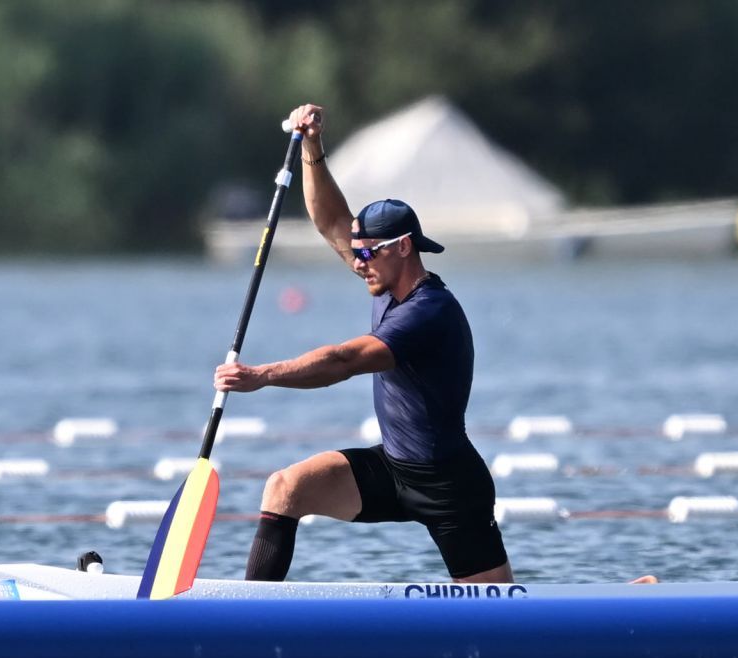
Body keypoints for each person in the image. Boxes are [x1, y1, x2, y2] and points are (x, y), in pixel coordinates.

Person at [213, 103, 513, 584]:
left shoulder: (428, 311)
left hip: (450, 486)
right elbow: (330, 218)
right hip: (393, 469)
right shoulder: (383, 277)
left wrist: (260, 376)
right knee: (286, 487)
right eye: (356, 253)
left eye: (368, 253)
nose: (358, 263)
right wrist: (311, 146)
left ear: (403, 247)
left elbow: (345, 361)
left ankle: (629, 600)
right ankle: (250, 620)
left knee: (506, 620)